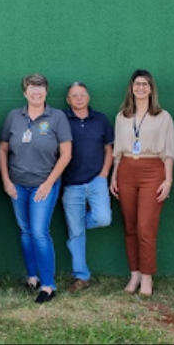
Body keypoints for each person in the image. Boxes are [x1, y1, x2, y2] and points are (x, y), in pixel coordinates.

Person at [0, 73, 72, 304]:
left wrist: (49, 183)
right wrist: (6, 180)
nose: (36, 92)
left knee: (40, 232)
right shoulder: (14, 116)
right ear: (25, 92)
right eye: (32, 88)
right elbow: (2, 149)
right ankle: (32, 277)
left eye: (40, 88)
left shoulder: (57, 117)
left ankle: (48, 285)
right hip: (17, 184)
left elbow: (67, 154)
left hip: (44, 184)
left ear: (46, 92)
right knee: (25, 231)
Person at [109, 69, 174, 297]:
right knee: (129, 226)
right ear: (131, 87)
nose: (140, 88)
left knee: (145, 226)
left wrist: (167, 180)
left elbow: (168, 151)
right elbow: (117, 151)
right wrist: (114, 176)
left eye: (145, 84)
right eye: (137, 84)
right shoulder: (122, 116)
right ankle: (134, 273)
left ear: (151, 88)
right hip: (126, 169)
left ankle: (147, 277)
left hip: (152, 170)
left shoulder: (163, 116)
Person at [60, 82, 114, 293]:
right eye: (74, 95)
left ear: (88, 96)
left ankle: (76, 228)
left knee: (103, 219)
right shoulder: (62, 119)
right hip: (71, 184)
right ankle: (81, 276)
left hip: (96, 180)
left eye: (83, 94)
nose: (79, 98)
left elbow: (109, 149)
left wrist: (104, 174)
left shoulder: (100, 119)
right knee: (76, 234)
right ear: (68, 100)